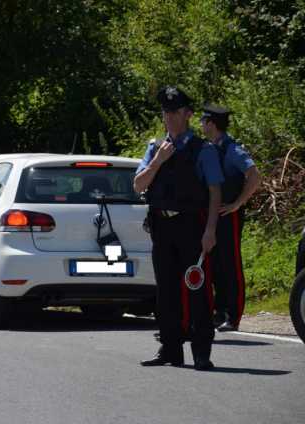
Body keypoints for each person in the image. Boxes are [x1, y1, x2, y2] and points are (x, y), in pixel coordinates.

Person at [134, 87, 223, 371]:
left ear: (188, 115)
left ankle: (201, 352)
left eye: (175, 112)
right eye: (166, 112)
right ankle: (170, 349)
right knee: (166, 291)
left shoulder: (202, 149)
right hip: (161, 225)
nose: (169, 117)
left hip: (190, 226)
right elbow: (138, 185)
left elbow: (214, 192)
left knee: (196, 288)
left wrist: (210, 230)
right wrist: (158, 161)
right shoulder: (155, 148)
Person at [200, 103, 260, 332]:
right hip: (211, 213)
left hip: (228, 214)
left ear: (212, 124)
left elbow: (254, 175)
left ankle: (233, 316)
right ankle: (219, 311)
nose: (201, 124)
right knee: (213, 263)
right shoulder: (208, 147)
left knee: (230, 264)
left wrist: (238, 203)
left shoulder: (233, 150)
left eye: (204, 121)